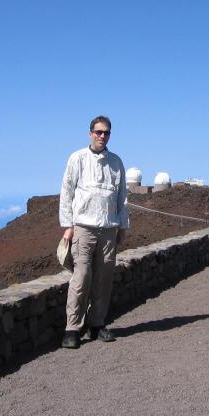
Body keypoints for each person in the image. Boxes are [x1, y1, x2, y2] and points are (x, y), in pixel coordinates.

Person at [59, 116, 129, 349]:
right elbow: (66, 192)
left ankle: (97, 324)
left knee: (103, 278)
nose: (102, 136)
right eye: (98, 132)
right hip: (83, 227)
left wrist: (123, 227)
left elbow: (122, 197)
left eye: (106, 132)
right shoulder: (77, 158)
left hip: (109, 227)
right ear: (90, 133)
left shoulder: (116, 162)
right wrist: (68, 226)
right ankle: (72, 329)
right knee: (82, 277)